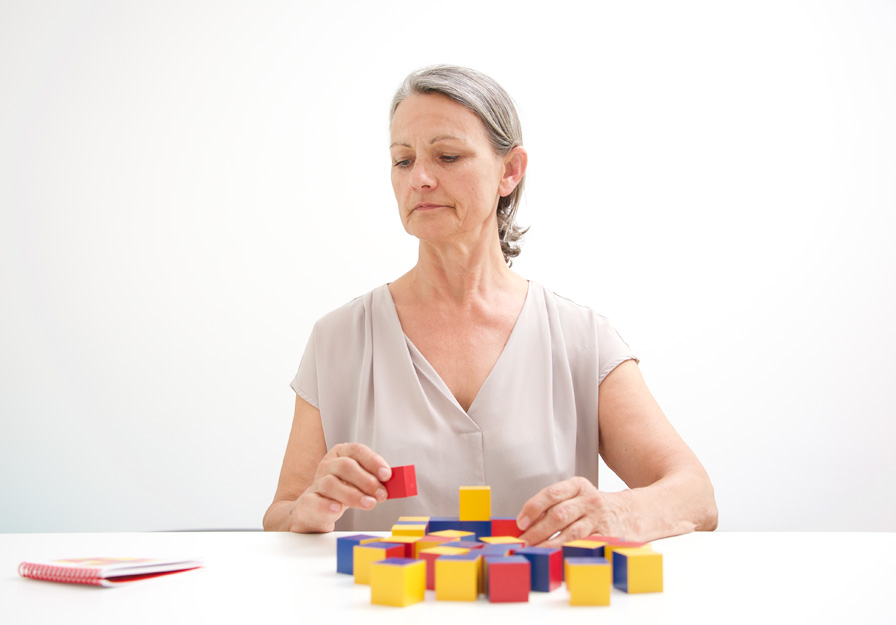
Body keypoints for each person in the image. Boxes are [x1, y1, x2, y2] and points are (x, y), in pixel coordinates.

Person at [263, 65, 717, 546]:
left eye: (448, 156)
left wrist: (620, 512)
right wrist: (308, 509)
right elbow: (281, 513)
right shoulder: (338, 340)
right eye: (403, 160)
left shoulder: (582, 339)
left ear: (510, 171)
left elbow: (696, 496)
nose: (420, 178)